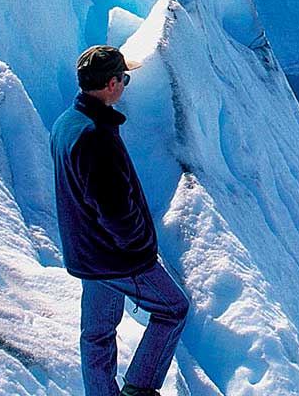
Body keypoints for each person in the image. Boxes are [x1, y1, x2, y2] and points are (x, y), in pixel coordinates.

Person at [51, 45, 190, 396]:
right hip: (116, 257)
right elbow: (113, 208)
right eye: (125, 78)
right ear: (112, 83)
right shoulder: (95, 135)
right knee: (173, 309)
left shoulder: (67, 123)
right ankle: (139, 390)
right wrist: (140, 248)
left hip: (88, 255)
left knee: (97, 334)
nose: (126, 84)